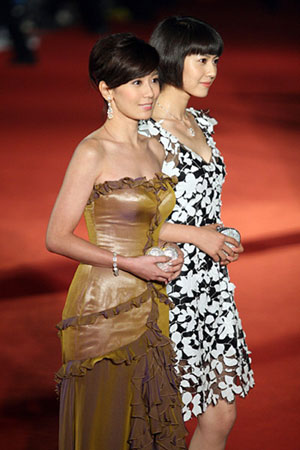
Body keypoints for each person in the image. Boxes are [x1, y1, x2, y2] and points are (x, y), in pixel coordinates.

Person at [46, 32, 187, 450]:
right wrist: (129, 263)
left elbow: (152, 223)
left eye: (153, 80)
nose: (149, 93)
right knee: (106, 430)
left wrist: (172, 249)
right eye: (136, 83)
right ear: (106, 90)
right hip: (102, 308)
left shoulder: (157, 149)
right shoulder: (92, 151)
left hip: (152, 305)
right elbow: (56, 237)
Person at [139, 16, 255, 450]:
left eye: (216, 60)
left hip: (211, 287)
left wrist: (220, 234)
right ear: (171, 58)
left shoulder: (199, 124)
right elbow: (126, 220)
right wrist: (197, 236)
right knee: (158, 419)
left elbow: (201, 203)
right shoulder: (146, 133)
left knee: (221, 413)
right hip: (167, 286)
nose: (212, 70)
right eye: (201, 59)